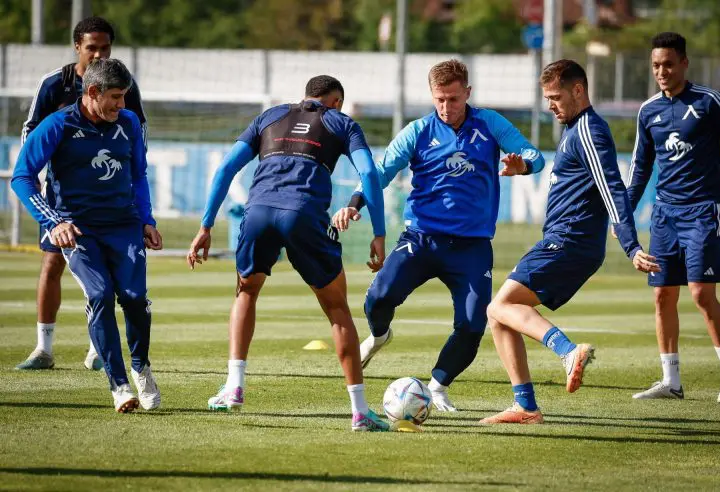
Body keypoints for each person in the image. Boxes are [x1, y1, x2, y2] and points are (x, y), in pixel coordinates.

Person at [332, 59, 545, 411]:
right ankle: (380, 335)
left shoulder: (490, 123)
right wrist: (355, 203)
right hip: (421, 239)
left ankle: (438, 386)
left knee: (473, 324)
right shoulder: (418, 131)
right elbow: (380, 171)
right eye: (440, 99)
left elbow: (532, 154)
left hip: (471, 247)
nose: (446, 107)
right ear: (432, 95)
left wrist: (522, 165)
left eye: (454, 99)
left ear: (468, 93)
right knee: (378, 299)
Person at [187, 75, 391, 432]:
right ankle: (360, 411)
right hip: (303, 215)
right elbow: (369, 172)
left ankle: (234, 387)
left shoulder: (270, 116)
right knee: (337, 309)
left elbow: (226, 168)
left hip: (258, 213)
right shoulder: (341, 122)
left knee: (246, 293)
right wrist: (379, 233)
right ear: (336, 102)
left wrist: (205, 226)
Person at [480, 59, 659, 425]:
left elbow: (613, 189)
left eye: (555, 97)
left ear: (578, 90)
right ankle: (525, 407)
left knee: (499, 306)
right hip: (564, 240)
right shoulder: (574, 129)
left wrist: (631, 245)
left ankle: (567, 351)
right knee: (500, 316)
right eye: (547, 98)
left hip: (569, 240)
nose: (550, 105)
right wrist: (521, 169)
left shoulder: (589, 130)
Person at [12, 59, 162, 413]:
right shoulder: (57, 125)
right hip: (79, 230)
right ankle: (119, 386)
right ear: (93, 92)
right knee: (99, 294)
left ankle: (140, 366)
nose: (122, 104)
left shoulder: (128, 122)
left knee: (134, 299)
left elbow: (138, 175)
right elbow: (22, 177)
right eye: (115, 97)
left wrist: (147, 220)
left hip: (124, 225)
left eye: (124, 96)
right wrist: (53, 222)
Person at [627, 32, 720, 404]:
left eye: (668, 64)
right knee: (662, 296)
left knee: (701, 294)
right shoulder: (648, 111)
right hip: (664, 216)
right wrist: (624, 213)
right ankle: (671, 381)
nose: (662, 71)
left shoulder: (709, 101)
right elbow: (640, 168)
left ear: (684, 63)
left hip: (704, 211)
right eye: (656, 65)